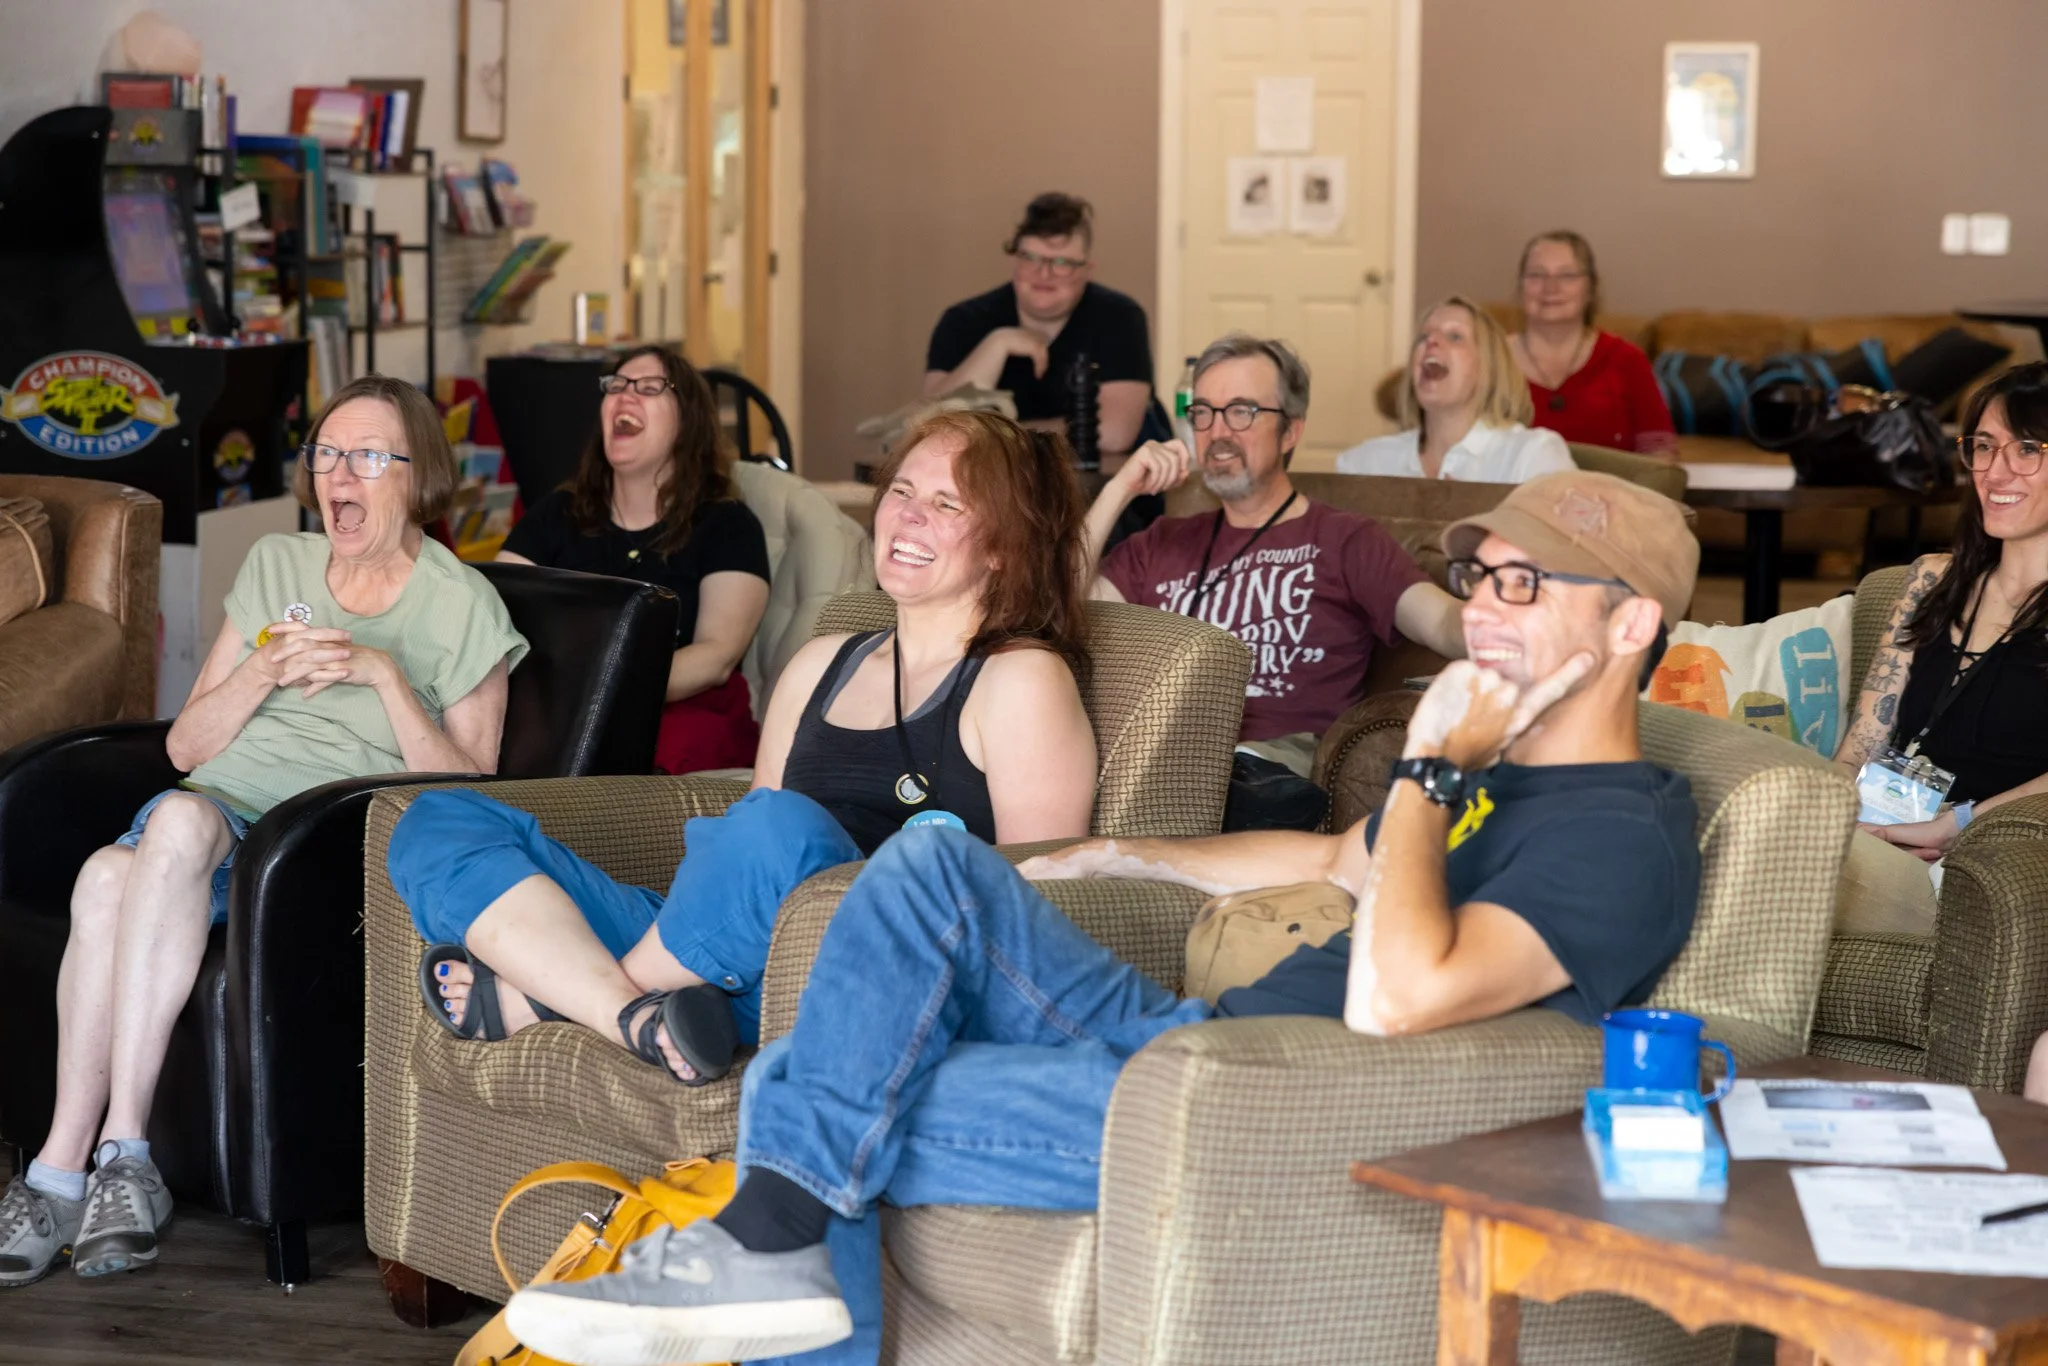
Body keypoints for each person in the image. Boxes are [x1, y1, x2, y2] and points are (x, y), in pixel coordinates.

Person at [494, 469, 1701, 1366]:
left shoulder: (1618, 834)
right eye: (1481, 576)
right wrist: (1127, 851)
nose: (1483, 610)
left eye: (1524, 585)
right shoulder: (1499, 770)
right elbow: (1342, 857)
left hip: (1259, 1094)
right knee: (930, 872)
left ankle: (766, 1249)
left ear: (1631, 623)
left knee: (803, 1082)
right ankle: (772, 1249)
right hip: (1183, 1029)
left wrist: (1433, 771)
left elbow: (1400, 996)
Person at [389, 410, 1097, 1092]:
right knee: (437, 819)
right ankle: (631, 1015)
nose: (908, 517)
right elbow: (749, 868)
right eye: (903, 492)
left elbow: (1033, 900)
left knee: (778, 826)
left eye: (948, 505)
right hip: (729, 963)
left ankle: (554, 998)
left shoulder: (1019, 677)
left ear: (1005, 545)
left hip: (866, 974)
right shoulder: (822, 663)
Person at [0, 376, 528, 1288]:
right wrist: (262, 670)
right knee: (107, 872)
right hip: (205, 821)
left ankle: (91, 1167)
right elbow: (185, 744)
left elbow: (471, 783)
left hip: (306, 850)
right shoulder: (278, 566)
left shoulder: (463, 604)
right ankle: (78, 1167)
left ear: (417, 477)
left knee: (152, 839)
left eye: (366, 456)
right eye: (326, 453)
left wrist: (383, 676)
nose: (338, 474)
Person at [1084, 332, 1466, 777]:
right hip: (1153, 757)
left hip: (1271, 768)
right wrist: (1119, 489)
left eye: (1242, 411)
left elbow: (1441, 622)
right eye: (1203, 412)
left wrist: (1523, 622)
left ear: (1291, 430)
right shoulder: (1159, 541)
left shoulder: (1345, 540)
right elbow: (1058, 609)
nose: (1218, 432)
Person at [1834, 362, 2048, 944]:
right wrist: (1820, 814)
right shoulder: (1931, 580)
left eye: (2026, 447)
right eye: (1983, 446)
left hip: (1967, 866)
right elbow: (1863, 741)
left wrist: (1958, 825)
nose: (1995, 471)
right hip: (1867, 834)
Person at [499, 345, 770, 775]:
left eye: (649, 388)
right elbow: (493, 605)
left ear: (688, 422)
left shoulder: (728, 525)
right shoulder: (559, 513)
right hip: (562, 712)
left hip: (683, 720)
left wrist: (605, 690)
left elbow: (716, 656)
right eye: (617, 385)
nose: (625, 396)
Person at [924, 192, 1153, 456]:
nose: (1044, 274)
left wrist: (995, 434)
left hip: (1094, 487)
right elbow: (934, 428)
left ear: (1087, 270)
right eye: (1031, 258)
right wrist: (996, 345)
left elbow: (1113, 434)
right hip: (986, 486)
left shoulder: (1119, 317)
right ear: (1014, 259)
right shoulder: (964, 320)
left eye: (1061, 263)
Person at [1338, 296, 1576, 482]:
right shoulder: (1361, 464)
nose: (1431, 341)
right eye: (1423, 336)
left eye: (1454, 337)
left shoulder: (1531, 456)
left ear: (1489, 367)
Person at [1509, 230, 1677, 458]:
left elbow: (1660, 453)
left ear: (1590, 289)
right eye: (1537, 275)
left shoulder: (1627, 360)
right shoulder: (1489, 360)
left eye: (1567, 276)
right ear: (1521, 286)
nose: (1550, 288)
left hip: (1610, 493)